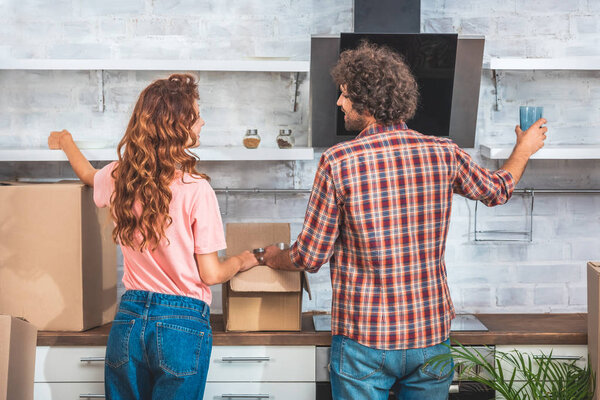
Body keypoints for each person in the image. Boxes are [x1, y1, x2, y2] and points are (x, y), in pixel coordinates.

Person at [262, 42, 547, 399]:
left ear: (366, 101)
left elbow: (310, 257)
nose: (339, 103)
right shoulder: (443, 153)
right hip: (429, 337)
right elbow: (498, 189)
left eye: (345, 95)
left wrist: (272, 256)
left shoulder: (338, 161)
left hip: (363, 341)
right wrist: (523, 149)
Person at [48, 73, 258, 400]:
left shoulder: (120, 177)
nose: (202, 122)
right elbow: (211, 274)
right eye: (196, 116)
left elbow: (88, 175)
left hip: (128, 323)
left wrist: (65, 141)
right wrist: (246, 259)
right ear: (178, 128)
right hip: (182, 326)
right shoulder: (196, 190)